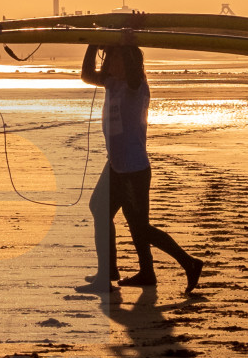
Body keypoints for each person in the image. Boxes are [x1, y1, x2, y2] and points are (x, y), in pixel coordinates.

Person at [78, 41, 203, 294]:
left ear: (129, 62)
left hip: (133, 170)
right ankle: (122, 272)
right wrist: (92, 44)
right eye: (108, 58)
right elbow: (86, 75)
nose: (110, 63)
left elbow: (133, 74)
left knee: (140, 227)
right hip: (116, 165)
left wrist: (127, 36)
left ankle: (189, 263)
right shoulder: (111, 82)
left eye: (115, 59)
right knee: (100, 210)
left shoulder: (137, 87)